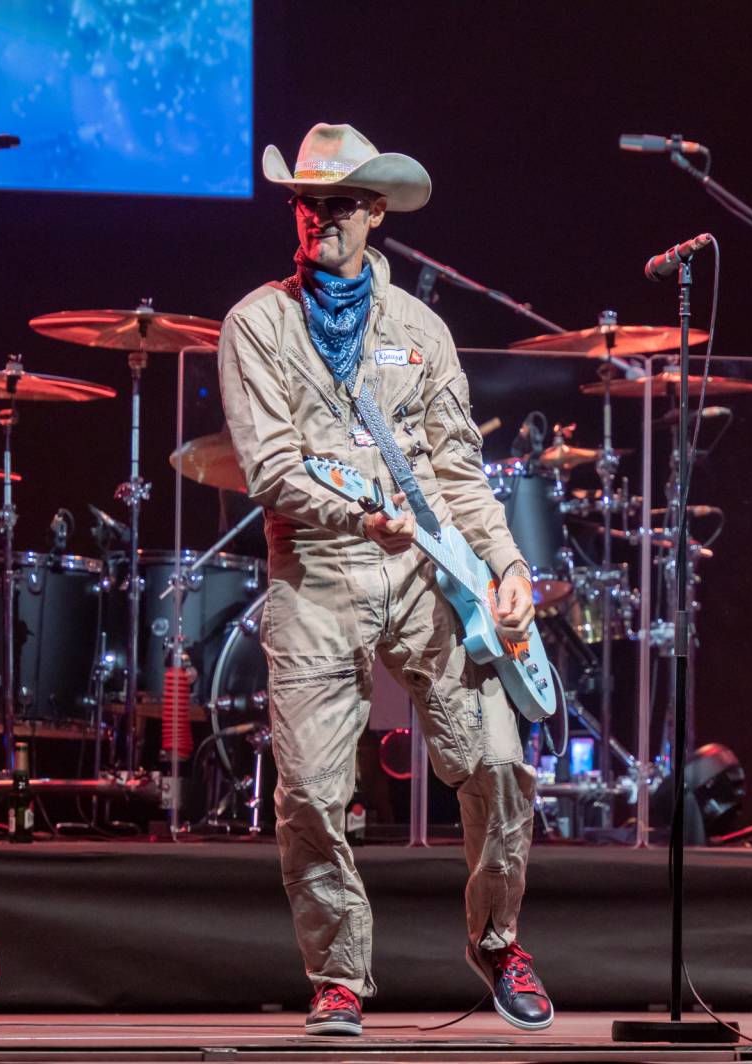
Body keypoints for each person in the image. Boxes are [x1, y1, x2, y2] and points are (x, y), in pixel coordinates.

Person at [218, 123, 553, 1037]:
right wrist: (354, 514)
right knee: (313, 796)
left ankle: (498, 940)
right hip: (319, 573)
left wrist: (509, 562)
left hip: (422, 573)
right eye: (308, 202)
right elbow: (271, 466)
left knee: (496, 760)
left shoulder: (420, 330)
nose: (321, 218)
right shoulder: (256, 322)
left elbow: (457, 469)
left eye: (339, 203)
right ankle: (338, 978)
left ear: (375, 213)